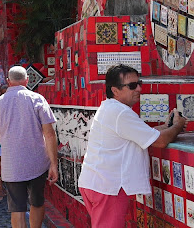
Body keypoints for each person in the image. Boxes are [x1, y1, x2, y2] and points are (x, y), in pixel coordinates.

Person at [78, 64, 186, 228]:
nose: (139, 89)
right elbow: (160, 141)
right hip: (108, 187)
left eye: (139, 83)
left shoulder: (111, 108)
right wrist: (177, 127)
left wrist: (167, 127)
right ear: (115, 90)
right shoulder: (121, 112)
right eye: (132, 86)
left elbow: (143, 134)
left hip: (97, 183)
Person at [0, 66, 58, 228]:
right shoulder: (38, 99)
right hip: (37, 162)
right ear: (26, 80)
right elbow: (50, 134)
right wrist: (53, 164)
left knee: (17, 209)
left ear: (8, 81)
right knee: (37, 202)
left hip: (12, 165)